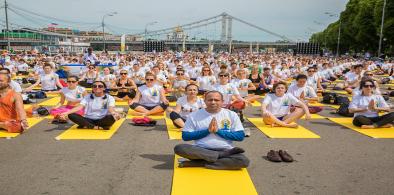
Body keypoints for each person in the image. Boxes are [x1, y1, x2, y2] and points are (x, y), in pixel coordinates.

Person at [174, 91, 250, 170]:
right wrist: (207, 131)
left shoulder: (231, 114)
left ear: (222, 102)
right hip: (201, 151)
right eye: (210, 100)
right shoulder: (194, 115)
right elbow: (186, 136)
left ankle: (201, 163)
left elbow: (240, 136)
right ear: (205, 101)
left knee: (244, 161)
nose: (213, 102)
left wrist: (218, 131)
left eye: (216, 100)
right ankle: (220, 156)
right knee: (179, 148)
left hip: (225, 149)